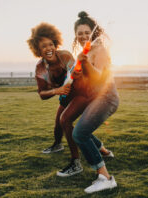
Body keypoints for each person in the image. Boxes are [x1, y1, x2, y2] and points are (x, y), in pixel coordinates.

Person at [27, 22, 113, 177]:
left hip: (81, 92)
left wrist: (77, 73)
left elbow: (77, 72)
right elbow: (42, 94)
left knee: (65, 120)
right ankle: (101, 150)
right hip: (65, 96)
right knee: (61, 124)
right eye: (44, 47)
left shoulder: (64, 55)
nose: (49, 49)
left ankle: (76, 163)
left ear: (55, 44)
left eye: (51, 44)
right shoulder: (40, 68)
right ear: (37, 50)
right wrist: (56, 90)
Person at [70, 11, 119, 193]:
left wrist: (86, 65)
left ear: (93, 33)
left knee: (79, 134)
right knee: (82, 129)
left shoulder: (100, 50)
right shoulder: (84, 52)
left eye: (86, 33)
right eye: (79, 33)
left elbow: (100, 78)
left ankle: (105, 177)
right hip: (96, 98)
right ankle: (104, 151)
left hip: (107, 98)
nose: (83, 36)